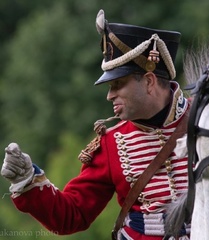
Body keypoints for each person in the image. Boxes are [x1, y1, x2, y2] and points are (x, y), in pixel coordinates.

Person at [1, 9, 190, 240]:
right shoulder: (111, 143)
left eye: (118, 85)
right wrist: (27, 180)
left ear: (149, 81)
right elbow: (72, 215)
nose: (110, 96)